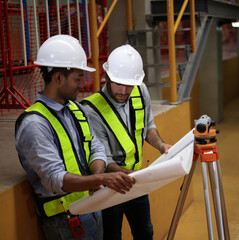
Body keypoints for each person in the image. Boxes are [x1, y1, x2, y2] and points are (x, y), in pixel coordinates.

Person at [15, 35, 135, 240]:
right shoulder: (35, 124)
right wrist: (102, 178)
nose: (82, 84)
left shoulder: (76, 109)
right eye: (78, 78)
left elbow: (95, 148)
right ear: (59, 78)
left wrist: (96, 178)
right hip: (65, 221)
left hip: (92, 207)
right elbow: (54, 178)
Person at [81, 45, 172, 239]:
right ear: (106, 76)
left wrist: (161, 145)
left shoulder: (140, 90)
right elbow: (103, 159)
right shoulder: (91, 110)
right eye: (118, 84)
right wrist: (137, 175)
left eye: (129, 85)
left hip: (136, 181)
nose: (124, 90)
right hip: (110, 186)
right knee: (112, 235)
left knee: (145, 232)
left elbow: (148, 126)